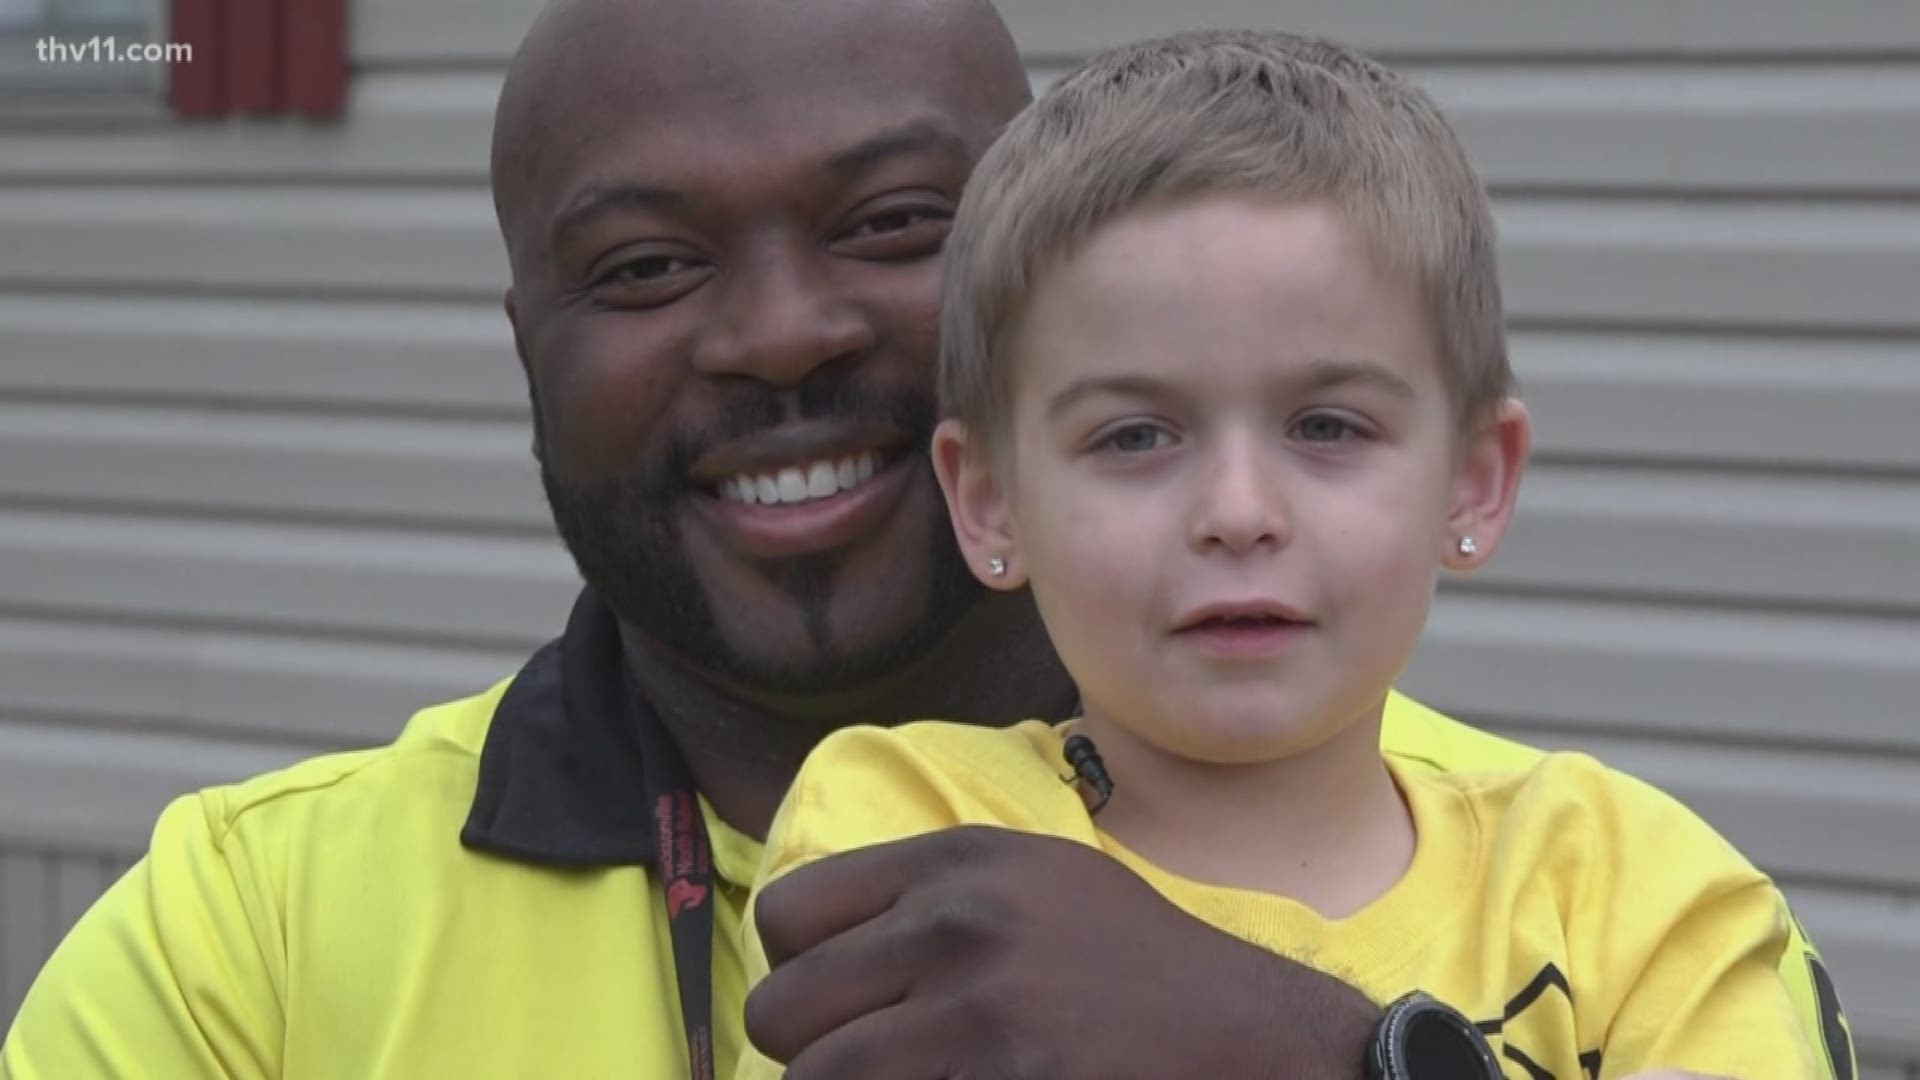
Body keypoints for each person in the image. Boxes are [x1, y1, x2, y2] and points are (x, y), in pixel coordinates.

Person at [0, 1, 1852, 1078]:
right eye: (645, 267)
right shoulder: (235, 939)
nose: (782, 334)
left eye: (894, 224)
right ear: (527, 355)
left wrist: (1317, 1055)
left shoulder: (1645, 900)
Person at [733, 28, 1822, 1080]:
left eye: (1327, 427)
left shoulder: (1643, 890)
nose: (1238, 512)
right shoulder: (914, 834)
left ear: (1474, 480)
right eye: (1135, 436)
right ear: (989, 502)